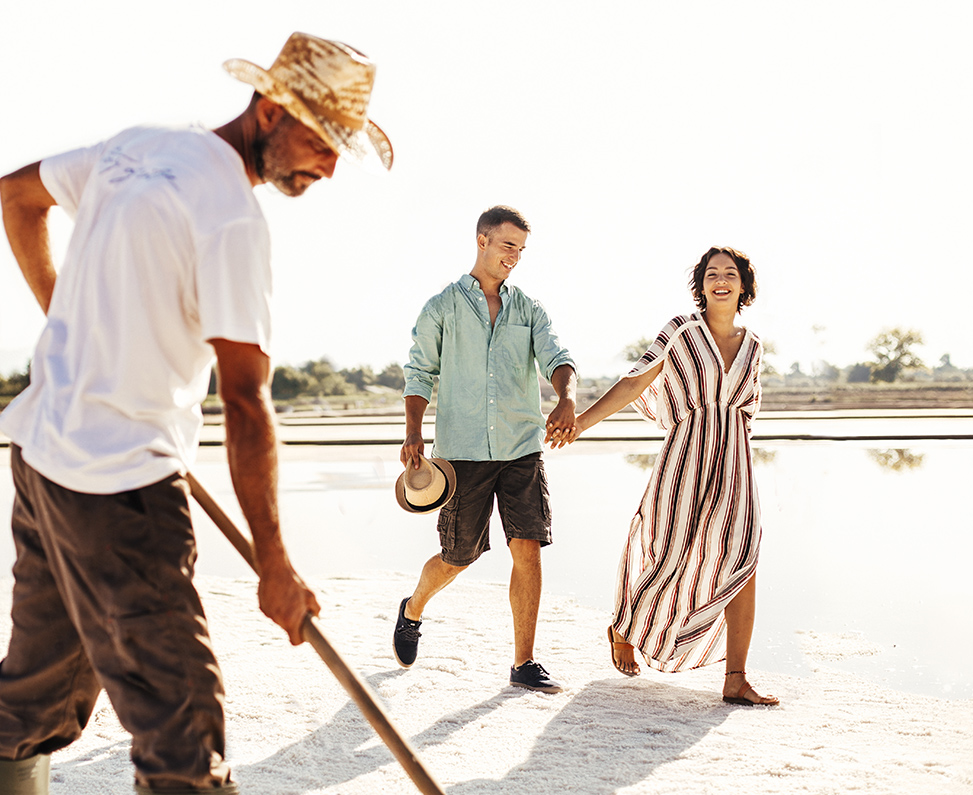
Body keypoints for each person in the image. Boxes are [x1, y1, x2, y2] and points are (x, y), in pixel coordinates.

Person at [0, 32, 392, 795]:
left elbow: (14, 196)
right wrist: (274, 563)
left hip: (43, 455)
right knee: (184, 734)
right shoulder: (231, 220)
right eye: (322, 140)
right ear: (271, 110)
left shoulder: (135, 150)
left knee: (32, 693)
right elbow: (246, 402)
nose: (332, 164)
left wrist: (67, 324)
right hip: (120, 485)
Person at [568, 246, 779, 706]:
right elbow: (635, 381)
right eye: (710, 274)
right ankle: (623, 626)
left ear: (744, 285)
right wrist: (583, 421)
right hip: (684, 457)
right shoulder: (681, 331)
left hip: (735, 464)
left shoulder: (755, 344)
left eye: (729, 274)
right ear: (701, 285)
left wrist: (737, 462)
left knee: (743, 559)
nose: (719, 281)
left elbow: (748, 411)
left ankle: (736, 677)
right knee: (668, 553)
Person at [395, 205, 577, 694]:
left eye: (520, 248)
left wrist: (567, 397)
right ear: (482, 240)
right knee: (458, 557)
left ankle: (524, 662)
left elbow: (557, 357)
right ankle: (413, 609)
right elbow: (419, 373)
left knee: (529, 549)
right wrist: (414, 431)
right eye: (506, 245)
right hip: (462, 452)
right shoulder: (442, 307)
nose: (514, 256)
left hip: (521, 446)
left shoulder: (529, 309)